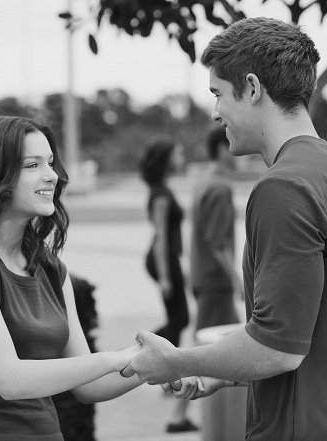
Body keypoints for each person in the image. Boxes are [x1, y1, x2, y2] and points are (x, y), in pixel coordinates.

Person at [122, 17, 327, 441]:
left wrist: (177, 361)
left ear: (252, 88)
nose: (216, 112)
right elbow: (318, 331)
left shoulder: (284, 186)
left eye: (218, 94)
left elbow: (277, 349)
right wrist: (217, 373)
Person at [0, 116, 142, 441]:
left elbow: (89, 385)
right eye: (32, 165)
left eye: (50, 163)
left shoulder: (49, 269)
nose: (51, 175)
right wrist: (116, 358)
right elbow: (10, 380)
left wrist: (159, 364)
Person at [139, 138, 196, 433]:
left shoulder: (163, 189)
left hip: (169, 259)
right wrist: (164, 276)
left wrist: (180, 265)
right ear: (165, 159)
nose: (181, 155)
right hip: (162, 259)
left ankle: (153, 363)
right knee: (180, 319)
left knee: (179, 319)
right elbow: (161, 235)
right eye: (178, 152)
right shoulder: (160, 193)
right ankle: (144, 357)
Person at [190, 125, 242, 332]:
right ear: (223, 149)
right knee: (210, 345)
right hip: (216, 281)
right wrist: (236, 279)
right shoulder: (220, 188)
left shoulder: (204, 181)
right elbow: (218, 243)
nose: (240, 155)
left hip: (202, 275)